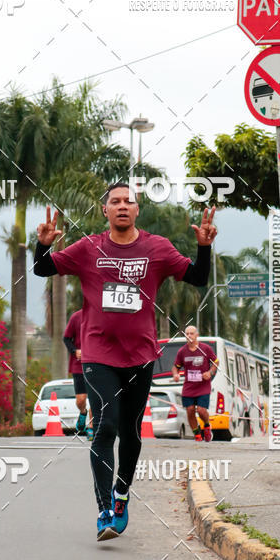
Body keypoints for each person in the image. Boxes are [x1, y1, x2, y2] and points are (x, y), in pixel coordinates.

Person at [33, 185, 216, 541]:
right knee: (106, 427)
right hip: (99, 354)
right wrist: (43, 243)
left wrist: (205, 247)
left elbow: (197, 277)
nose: (121, 206)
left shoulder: (157, 247)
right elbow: (42, 269)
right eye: (114, 202)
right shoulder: (88, 248)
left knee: (131, 432)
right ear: (105, 211)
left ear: (137, 210)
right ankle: (104, 510)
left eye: (127, 201)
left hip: (141, 355)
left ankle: (121, 494)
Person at [171, 326, 218, 441]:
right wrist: (175, 374)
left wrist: (210, 372)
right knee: (190, 410)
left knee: (201, 410)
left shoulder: (205, 348)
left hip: (203, 386)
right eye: (187, 333)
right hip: (189, 387)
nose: (189, 335)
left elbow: (216, 362)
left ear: (197, 335)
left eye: (192, 333)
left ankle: (207, 426)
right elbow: (175, 367)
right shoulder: (182, 351)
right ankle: (197, 434)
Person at [63, 308, 91, 434]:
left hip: (98, 363)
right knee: (81, 399)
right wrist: (75, 351)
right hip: (79, 365)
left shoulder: (102, 316)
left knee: (96, 398)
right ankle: (83, 412)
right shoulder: (76, 316)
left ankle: (91, 427)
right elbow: (66, 339)